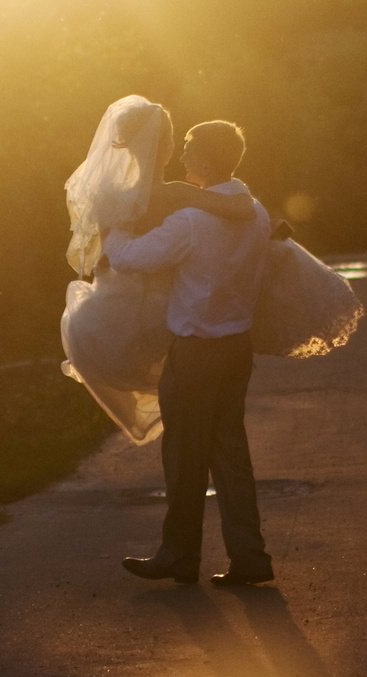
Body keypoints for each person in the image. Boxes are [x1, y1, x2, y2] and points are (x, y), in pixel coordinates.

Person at [102, 119, 277, 587]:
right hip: (237, 348)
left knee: (183, 455)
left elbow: (132, 257)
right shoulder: (255, 212)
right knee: (231, 454)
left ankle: (179, 555)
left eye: (187, 149)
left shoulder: (192, 222)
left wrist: (111, 227)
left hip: (197, 352)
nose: (181, 158)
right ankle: (250, 556)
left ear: (204, 160)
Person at [59, 98, 257, 444]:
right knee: (208, 423)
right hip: (171, 314)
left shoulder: (108, 195)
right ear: (164, 146)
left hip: (117, 314)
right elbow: (240, 209)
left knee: (182, 419)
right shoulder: (175, 195)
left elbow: (100, 261)